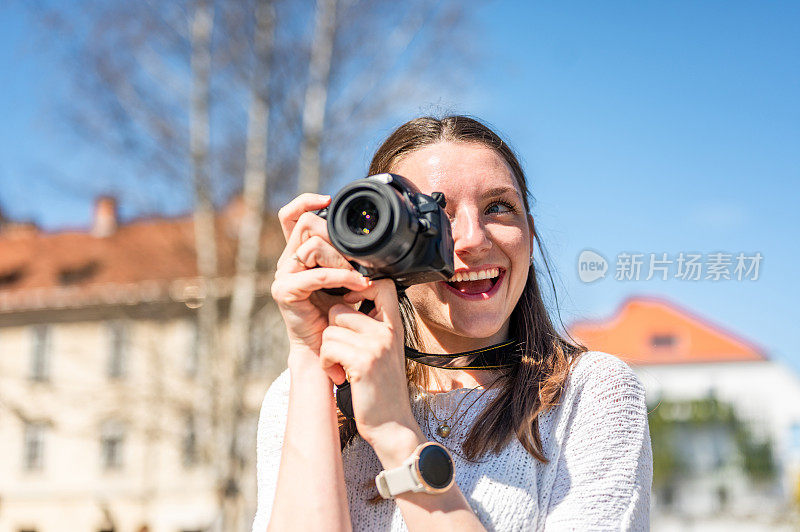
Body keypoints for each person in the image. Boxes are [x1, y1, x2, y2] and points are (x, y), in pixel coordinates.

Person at [253, 116, 653, 531]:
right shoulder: (302, 393)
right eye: (436, 214)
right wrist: (309, 358)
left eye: (498, 208)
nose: (473, 239)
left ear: (529, 237)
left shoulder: (591, 394)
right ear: (380, 243)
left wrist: (396, 431)